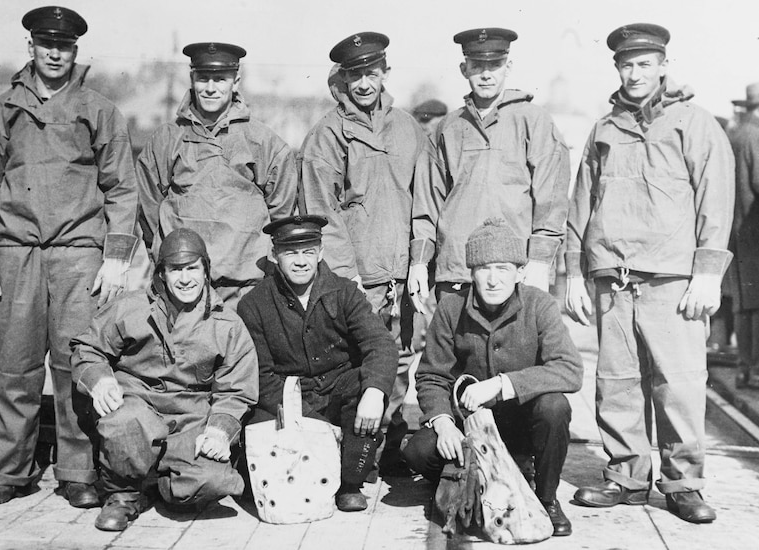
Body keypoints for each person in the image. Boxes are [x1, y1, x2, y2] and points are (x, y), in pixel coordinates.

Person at [0, 6, 138, 508]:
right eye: (45, 44)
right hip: (17, 254)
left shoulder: (99, 109)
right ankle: (9, 471)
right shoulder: (2, 110)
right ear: (31, 48)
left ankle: (78, 472)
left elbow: (122, 187)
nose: (55, 53)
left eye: (64, 45)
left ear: (75, 51)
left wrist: (116, 256)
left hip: (78, 254)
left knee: (75, 364)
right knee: (14, 366)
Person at [566, 23, 734, 524]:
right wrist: (575, 272)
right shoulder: (604, 129)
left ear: (663, 65)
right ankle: (626, 477)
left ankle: (684, 484)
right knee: (616, 381)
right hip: (611, 277)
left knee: (678, 383)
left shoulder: (694, 122)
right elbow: (581, 202)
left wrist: (707, 272)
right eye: (626, 64)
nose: (634, 73)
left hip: (672, 278)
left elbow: (715, 200)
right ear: (616, 68)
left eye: (644, 64)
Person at [298, 32, 431, 476]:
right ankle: (357, 454)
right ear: (344, 78)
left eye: (372, 73)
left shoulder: (409, 128)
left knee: (402, 360)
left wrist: (419, 261)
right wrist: (345, 277)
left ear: (384, 73)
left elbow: (425, 200)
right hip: (359, 276)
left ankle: (389, 445)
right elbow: (321, 211)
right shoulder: (327, 135)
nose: (364, 83)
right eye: (356, 75)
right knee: (358, 361)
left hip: (402, 273)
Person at [403, 218, 582, 537]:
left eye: (503, 268)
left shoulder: (539, 305)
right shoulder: (450, 308)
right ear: (471, 272)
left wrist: (503, 384)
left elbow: (570, 369)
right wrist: (443, 423)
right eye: (484, 268)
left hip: (521, 426)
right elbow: (431, 375)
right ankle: (464, 479)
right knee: (417, 450)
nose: (493, 279)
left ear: (519, 272)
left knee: (555, 407)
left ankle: (546, 498)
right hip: (469, 429)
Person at [70, 228, 258, 531]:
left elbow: (237, 389)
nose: (185, 279)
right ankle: (123, 494)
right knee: (124, 423)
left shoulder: (227, 324)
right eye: (176, 270)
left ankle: (158, 485)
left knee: (214, 483)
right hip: (138, 404)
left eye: (192, 268)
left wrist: (220, 429)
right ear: (162, 273)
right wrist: (100, 380)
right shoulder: (132, 307)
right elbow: (87, 348)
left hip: (191, 416)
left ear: (206, 270)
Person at [237, 215, 398, 511]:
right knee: (259, 448)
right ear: (275, 255)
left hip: (339, 391)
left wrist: (375, 392)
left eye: (308, 252)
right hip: (289, 399)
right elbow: (261, 375)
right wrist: (313, 426)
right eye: (290, 252)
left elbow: (381, 343)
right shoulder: (253, 304)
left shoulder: (345, 292)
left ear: (321, 252)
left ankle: (350, 482)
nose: (301, 261)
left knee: (365, 388)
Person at [409, 28, 570, 307]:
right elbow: (427, 204)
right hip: (457, 273)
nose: (486, 74)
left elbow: (551, 200)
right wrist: (420, 263)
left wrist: (540, 261)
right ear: (464, 69)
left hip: (513, 274)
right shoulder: (448, 128)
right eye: (477, 66)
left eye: (494, 65)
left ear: (508, 67)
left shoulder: (533, 121)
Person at [137, 41, 297, 310]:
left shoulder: (263, 142)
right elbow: (149, 211)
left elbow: (282, 213)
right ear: (192, 78)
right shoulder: (166, 139)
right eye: (203, 78)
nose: (210, 88)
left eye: (220, 79)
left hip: (246, 286)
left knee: (243, 351)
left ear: (236, 81)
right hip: (183, 282)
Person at [728, 82, 759, 389]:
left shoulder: (735, 133)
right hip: (755, 232)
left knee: (744, 304)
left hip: (736, 234)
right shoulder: (756, 136)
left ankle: (744, 368)